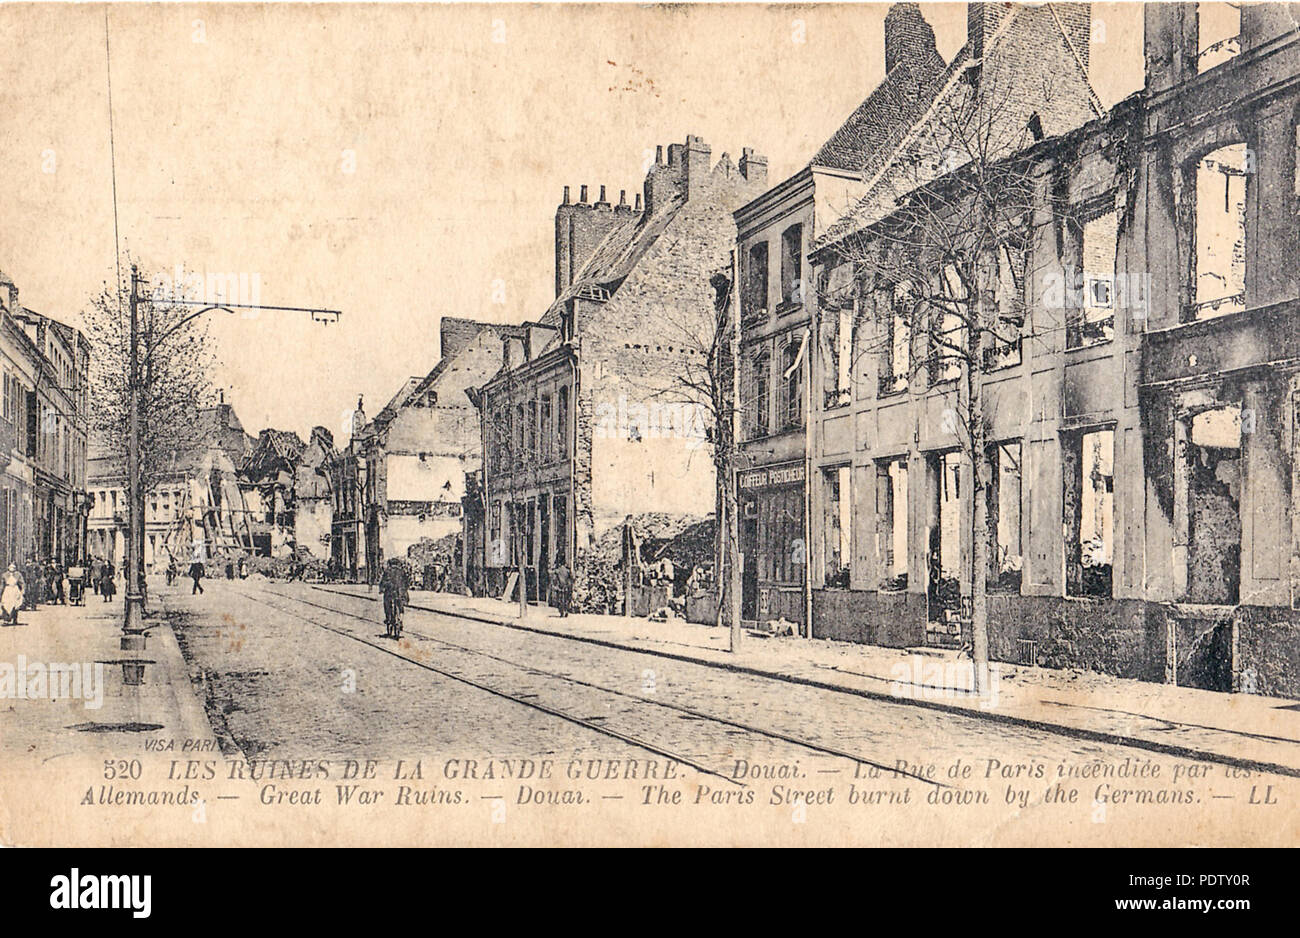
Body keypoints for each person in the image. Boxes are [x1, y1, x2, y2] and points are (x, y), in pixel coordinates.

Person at [378, 559, 408, 634]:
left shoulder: (387, 571)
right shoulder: (402, 571)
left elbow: (383, 582)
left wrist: (381, 589)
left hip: (389, 593)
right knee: (401, 607)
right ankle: (400, 619)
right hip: (400, 593)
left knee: (387, 605)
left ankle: (388, 619)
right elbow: (407, 582)